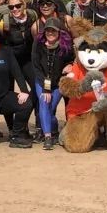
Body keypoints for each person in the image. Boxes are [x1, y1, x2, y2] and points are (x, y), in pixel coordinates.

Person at [0, 0, 39, 136]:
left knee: (37, 89)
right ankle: (12, 128)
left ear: (24, 5)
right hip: (10, 61)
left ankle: (35, 124)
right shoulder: (5, 22)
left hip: (27, 60)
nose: (15, 9)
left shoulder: (33, 16)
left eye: (18, 5)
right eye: (11, 7)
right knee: (7, 92)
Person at [32, 17, 75, 150]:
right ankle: (48, 137)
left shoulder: (66, 46)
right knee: (44, 102)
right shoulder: (38, 44)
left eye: (54, 31)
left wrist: (70, 65)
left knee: (49, 110)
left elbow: (72, 60)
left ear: (59, 32)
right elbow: (36, 67)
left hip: (58, 82)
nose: (50, 33)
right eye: (48, 30)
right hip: (42, 80)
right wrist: (46, 89)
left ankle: (54, 129)